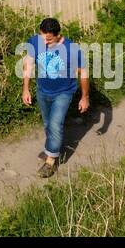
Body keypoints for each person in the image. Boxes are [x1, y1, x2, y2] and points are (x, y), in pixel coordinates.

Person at [21, 17, 89, 178]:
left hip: (64, 92)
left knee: (55, 124)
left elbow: (84, 73)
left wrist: (85, 97)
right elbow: (28, 64)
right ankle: (52, 147)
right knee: (47, 124)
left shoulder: (72, 49)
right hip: (43, 90)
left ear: (58, 35)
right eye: (42, 37)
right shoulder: (35, 41)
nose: (44, 42)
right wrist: (25, 89)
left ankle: (51, 161)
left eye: (49, 39)